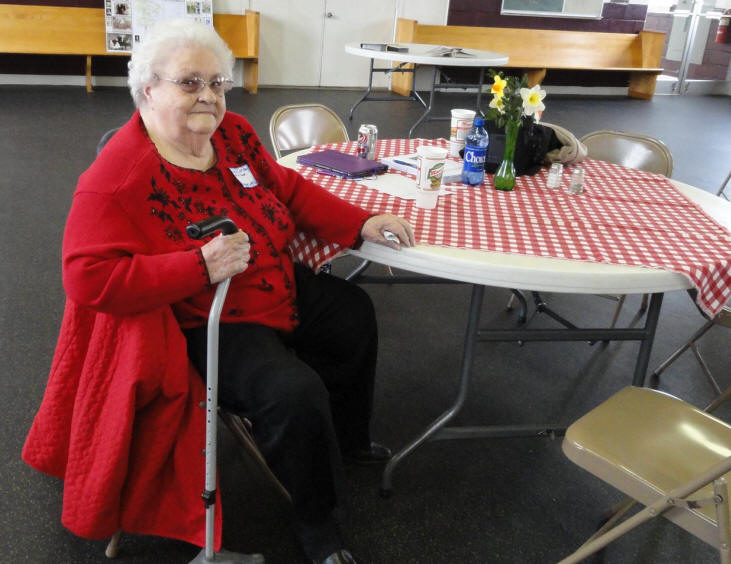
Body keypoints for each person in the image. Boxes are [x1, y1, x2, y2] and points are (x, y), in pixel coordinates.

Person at [22, 18, 414, 564]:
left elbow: (286, 187)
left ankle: (345, 440)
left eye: (216, 82)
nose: (208, 96)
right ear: (148, 89)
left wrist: (359, 221)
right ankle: (317, 522)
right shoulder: (118, 177)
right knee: (292, 392)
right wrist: (195, 267)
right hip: (211, 315)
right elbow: (87, 277)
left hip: (274, 283)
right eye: (189, 83)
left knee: (353, 313)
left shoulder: (232, 134)